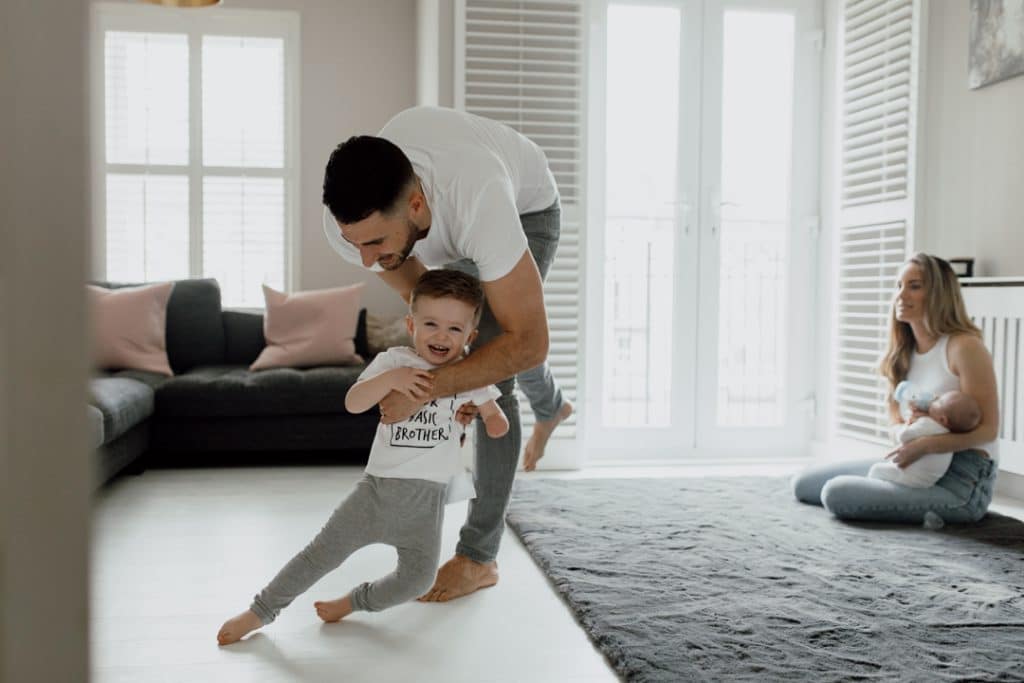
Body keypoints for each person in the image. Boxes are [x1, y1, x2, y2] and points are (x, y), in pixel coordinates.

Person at [320, 106, 573, 601]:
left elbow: (529, 342)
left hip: (526, 208)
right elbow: (424, 301)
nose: (365, 261)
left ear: (415, 206)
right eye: (357, 245)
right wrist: (438, 367)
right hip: (448, 217)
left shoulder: (479, 197)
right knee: (466, 342)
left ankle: (479, 557)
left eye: (375, 244)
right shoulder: (353, 227)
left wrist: (422, 390)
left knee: (496, 378)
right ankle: (552, 405)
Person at [216, 270, 508, 645]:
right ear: (410, 324)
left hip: (426, 504)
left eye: (455, 329)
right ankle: (259, 611)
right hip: (375, 494)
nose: (441, 336)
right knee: (318, 556)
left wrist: (488, 415)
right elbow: (353, 403)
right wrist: (392, 380)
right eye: (431, 323)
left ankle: (354, 602)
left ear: (470, 336)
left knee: (418, 580)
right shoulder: (393, 360)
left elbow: (497, 425)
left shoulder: (469, 374)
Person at [792, 253, 1000, 524]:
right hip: (912, 467)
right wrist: (908, 431)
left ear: (939, 294)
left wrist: (925, 445)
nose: (901, 296)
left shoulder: (964, 347)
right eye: (899, 286)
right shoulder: (902, 352)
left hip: (962, 483)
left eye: (914, 286)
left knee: (836, 494)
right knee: (805, 485)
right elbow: (895, 423)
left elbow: (988, 430)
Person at [868, 389, 981, 488]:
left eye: (939, 401)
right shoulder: (948, 435)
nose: (935, 398)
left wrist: (909, 422)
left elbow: (902, 436)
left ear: (943, 419)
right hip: (927, 481)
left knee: (876, 469)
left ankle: (873, 493)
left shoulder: (928, 424)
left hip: (909, 477)